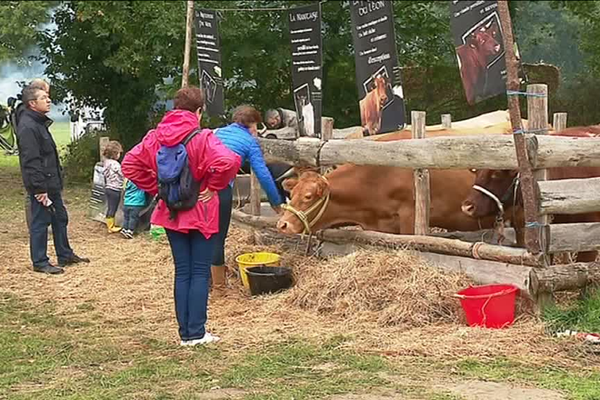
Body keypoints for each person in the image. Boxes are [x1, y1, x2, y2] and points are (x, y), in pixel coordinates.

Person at [121, 86, 241, 346]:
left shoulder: (155, 137)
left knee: (182, 271)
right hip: (201, 210)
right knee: (199, 272)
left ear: (173, 107)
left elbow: (129, 164)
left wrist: (156, 188)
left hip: (172, 211)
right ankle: (196, 332)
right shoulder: (203, 137)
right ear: (199, 111)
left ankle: (185, 332)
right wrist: (213, 186)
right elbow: (229, 162)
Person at [17, 84, 90, 274]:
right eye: (44, 98)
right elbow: (31, 160)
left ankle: (65, 254)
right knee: (40, 222)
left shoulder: (38, 122)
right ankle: (40, 262)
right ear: (32, 103)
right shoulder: (28, 127)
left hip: (52, 182)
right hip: (42, 185)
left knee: (60, 218)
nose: (49, 100)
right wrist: (39, 189)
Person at [212, 105, 284, 294]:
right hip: (220, 191)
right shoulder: (250, 142)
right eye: (256, 127)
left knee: (201, 234)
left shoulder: (216, 132)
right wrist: (276, 203)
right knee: (217, 237)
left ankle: (204, 279)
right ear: (253, 125)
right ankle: (218, 287)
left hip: (199, 189)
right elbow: (264, 174)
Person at [102, 140, 124, 233]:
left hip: (108, 187)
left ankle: (110, 224)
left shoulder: (106, 162)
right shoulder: (115, 164)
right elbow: (122, 174)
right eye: (119, 153)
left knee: (110, 206)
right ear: (115, 154)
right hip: (115, 189)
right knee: (113, 207)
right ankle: (111, 227)